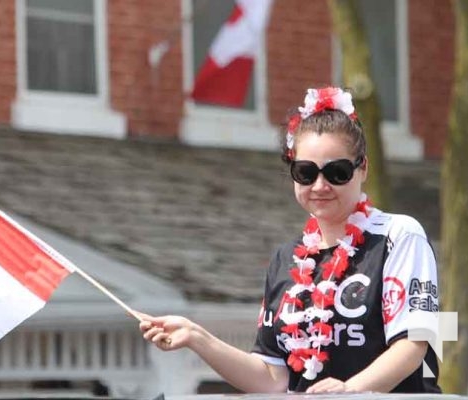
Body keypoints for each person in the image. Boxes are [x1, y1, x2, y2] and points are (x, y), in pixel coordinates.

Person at [139, 87, 441, 394]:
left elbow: (412, 345)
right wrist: (196, 336)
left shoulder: (400, 235)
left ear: (363, 168)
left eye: (337, 172)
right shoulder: (287, 259)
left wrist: (351, 391)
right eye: (306, 172)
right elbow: (271, 379)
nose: (320, 185)